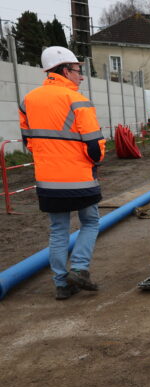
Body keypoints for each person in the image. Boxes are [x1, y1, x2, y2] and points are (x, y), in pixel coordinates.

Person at [18, 46, 105, 300]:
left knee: (58, 230)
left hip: (47, 179)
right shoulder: (77, 100)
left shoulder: (28, 100)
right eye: (78, 70)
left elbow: (28, 141)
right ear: (65, 70)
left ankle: (61, 284)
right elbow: (94, 145)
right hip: (79, 177)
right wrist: (95, 161)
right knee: (90, 222)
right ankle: (79, 268)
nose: (81, 76)